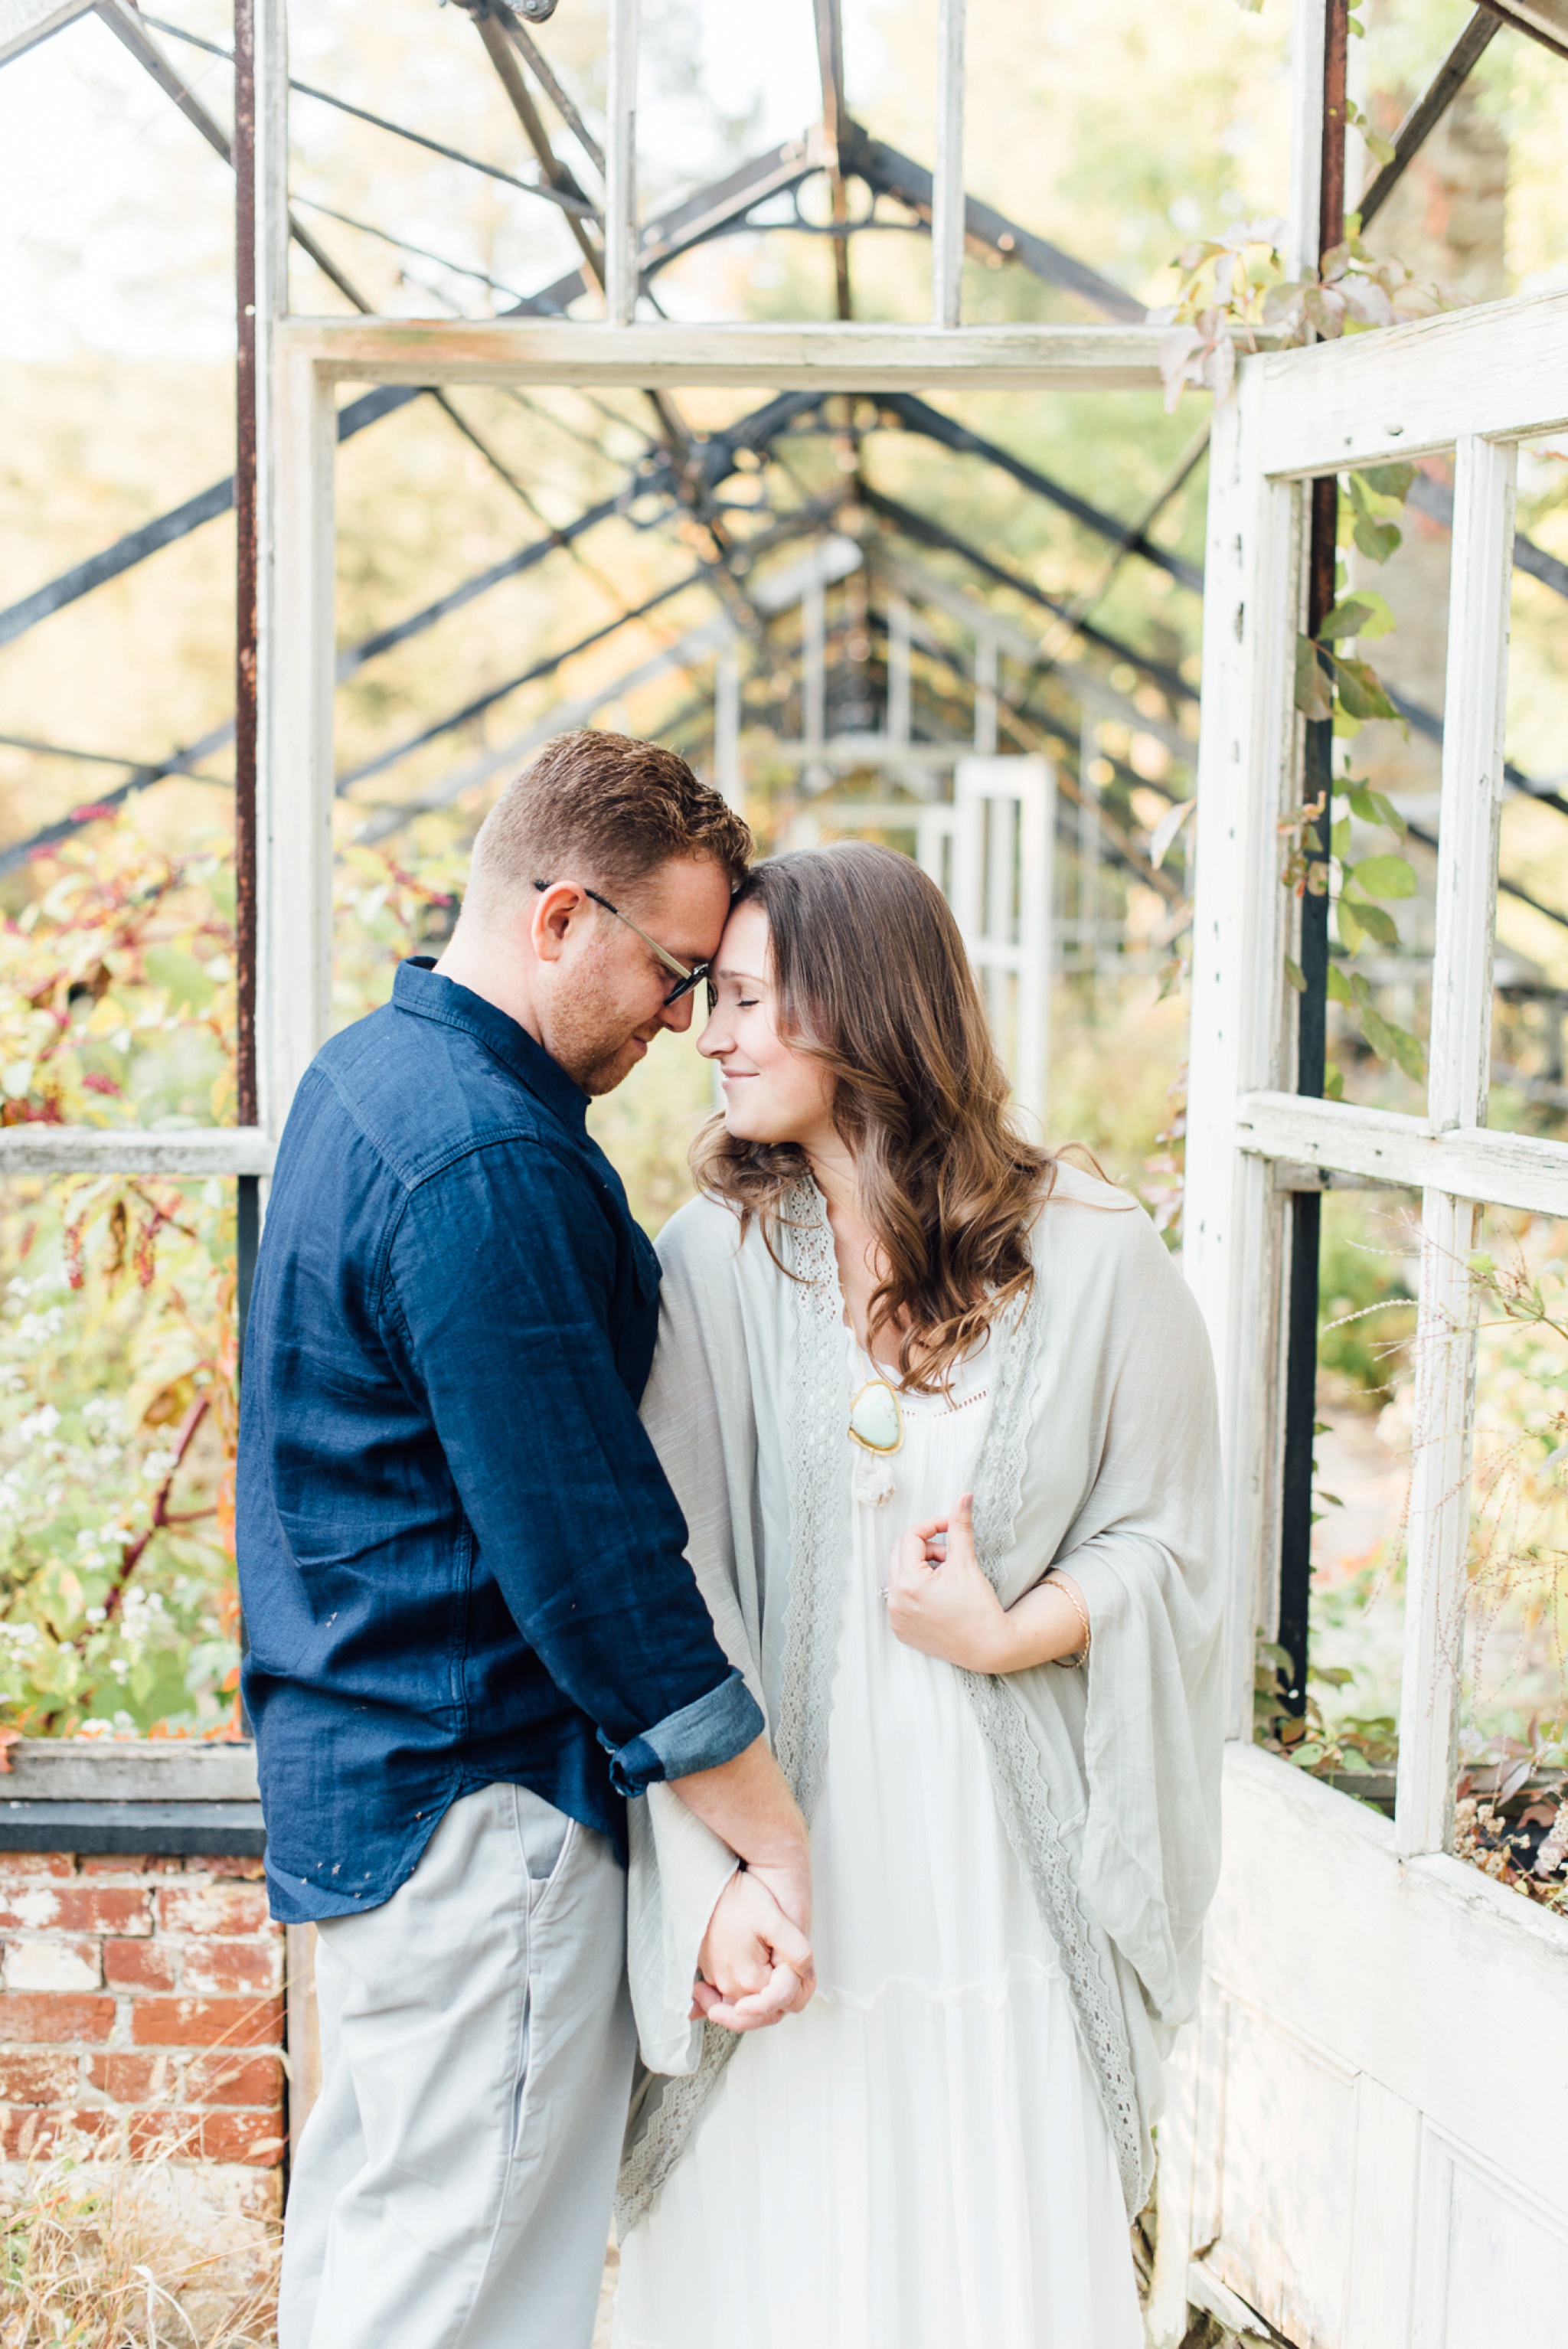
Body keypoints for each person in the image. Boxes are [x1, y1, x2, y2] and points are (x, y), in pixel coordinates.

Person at [237, 732, 815, 2349]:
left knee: (382, 2256)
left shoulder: (371, 1071)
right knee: (469, 2295)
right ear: (561, 916)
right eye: (675, 970)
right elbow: (589, 1552)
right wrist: (766, 1832)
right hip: (477, 1798)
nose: (685, 1018)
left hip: (376, 1771)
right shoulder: (488, 1156)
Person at [613, 841, 1225, 2349]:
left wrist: (1010, 1627)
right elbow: (664, 1570)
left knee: (986, 2237)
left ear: (862, 1009)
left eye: (746, 999)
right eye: (708, 999)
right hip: (794, 1845)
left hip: (997, 1851)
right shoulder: (707, 1264)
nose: (709, 1035)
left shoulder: (1092, 1254)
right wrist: (716, 1880)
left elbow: (1175, 1540)